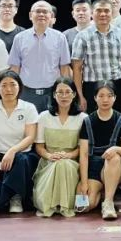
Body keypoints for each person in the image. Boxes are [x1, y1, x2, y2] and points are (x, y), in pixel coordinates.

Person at [0, 71, 41, 213]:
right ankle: (5, 195)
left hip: (22, 157)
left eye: (13, 85)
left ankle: (15, 197)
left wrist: (12, 150)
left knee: (21, 159)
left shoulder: (29, 108)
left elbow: (30, 137)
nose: (8, 89)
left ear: (20, 87)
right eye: (4, 85)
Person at [78, 80, 121, 220]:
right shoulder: (87, 121)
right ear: (95, 98)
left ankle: (108, 202)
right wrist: (84, 183)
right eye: (101, 96)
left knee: (114, 157)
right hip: (94, 168)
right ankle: (102, 193)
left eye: (109, 96)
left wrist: (115, 148)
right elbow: (83, 154)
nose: (105, 100)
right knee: (83, 206)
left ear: (115, 98)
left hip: (115, 166)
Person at [32, 77, 85, 217]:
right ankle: (56, 203)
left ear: (74, 94)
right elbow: (39, 147)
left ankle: (60, 204)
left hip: (73, 162)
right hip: (48, 161)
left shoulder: (82, 118)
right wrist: (50, 156)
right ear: (54, 95)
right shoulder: (44, 117)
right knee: (59, 163)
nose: (64, 96)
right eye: (60, 92)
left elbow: (82, 149)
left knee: (63, 164)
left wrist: (68, 155)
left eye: (68, 92)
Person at [8, 0, 72, 110]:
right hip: (26, 93)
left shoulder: (60, 38)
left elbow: (64, 68)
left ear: (51, 16)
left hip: (52, 92)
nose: (41, 14)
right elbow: (15, 68)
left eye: (45, 12)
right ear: (30, 15)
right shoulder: (19, 38)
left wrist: (64, 92)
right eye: (38, 11)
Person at [72, 0, 121, 114]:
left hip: (117, 84)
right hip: (91, 86)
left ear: (112, 13)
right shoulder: (82, 36)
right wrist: (80, 95)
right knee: (93, 120)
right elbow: (77, 68)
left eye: (106, 11)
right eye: (99, 10)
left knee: (117, 120)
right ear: (92, 13)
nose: (103, 14)